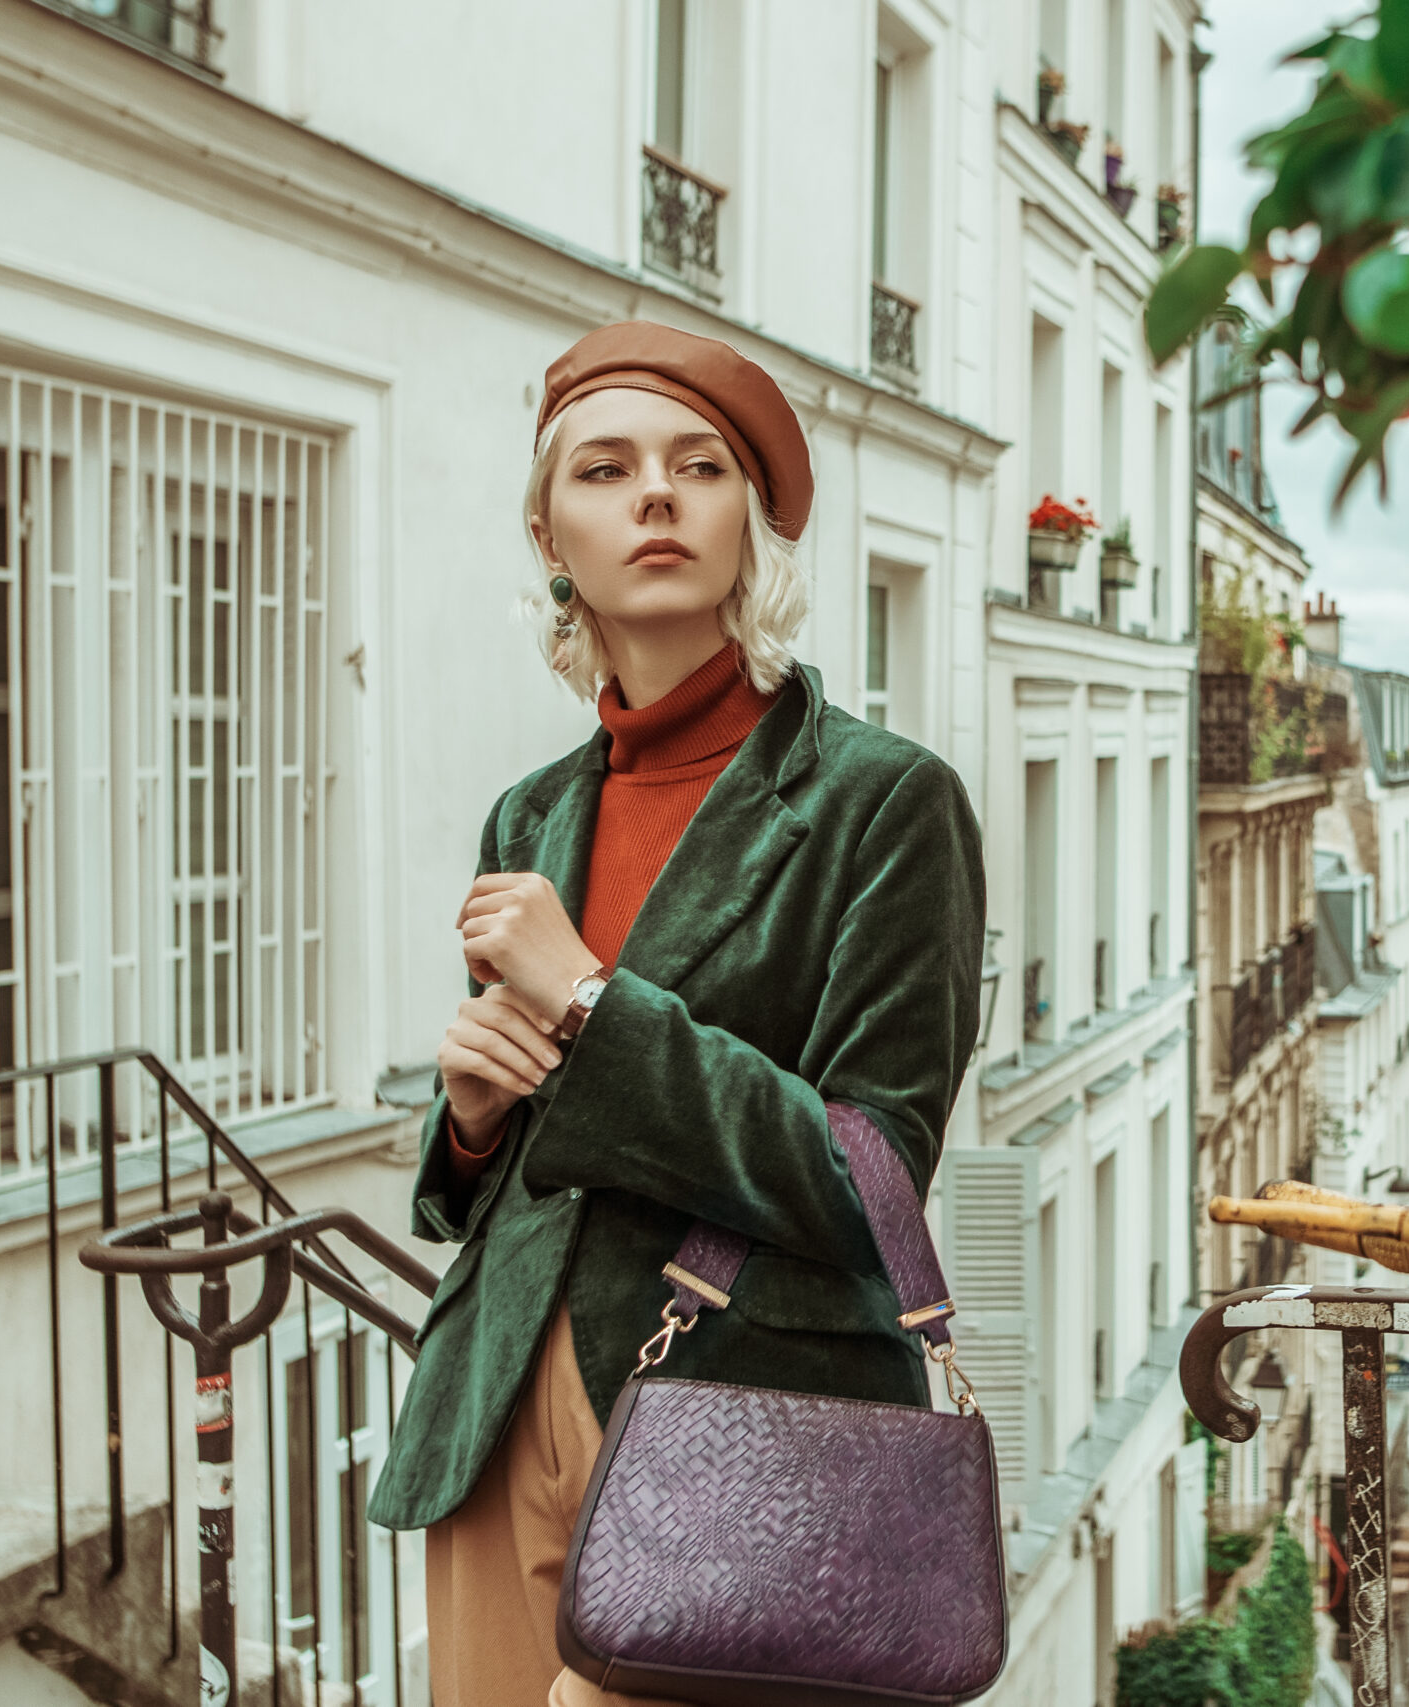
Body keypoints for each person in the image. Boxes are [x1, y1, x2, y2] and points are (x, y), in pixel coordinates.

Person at [365, 321, 986, 1707]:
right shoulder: (532, 813)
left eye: (697, 466)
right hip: (494, 1406)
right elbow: (528, 1160)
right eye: (606, 468)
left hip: (741, 1432)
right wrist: (468, 1128)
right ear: (551, 534)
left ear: (750, 528)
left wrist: (589, 999)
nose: (654, 494)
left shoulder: (883, 803)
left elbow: (867, 1173)